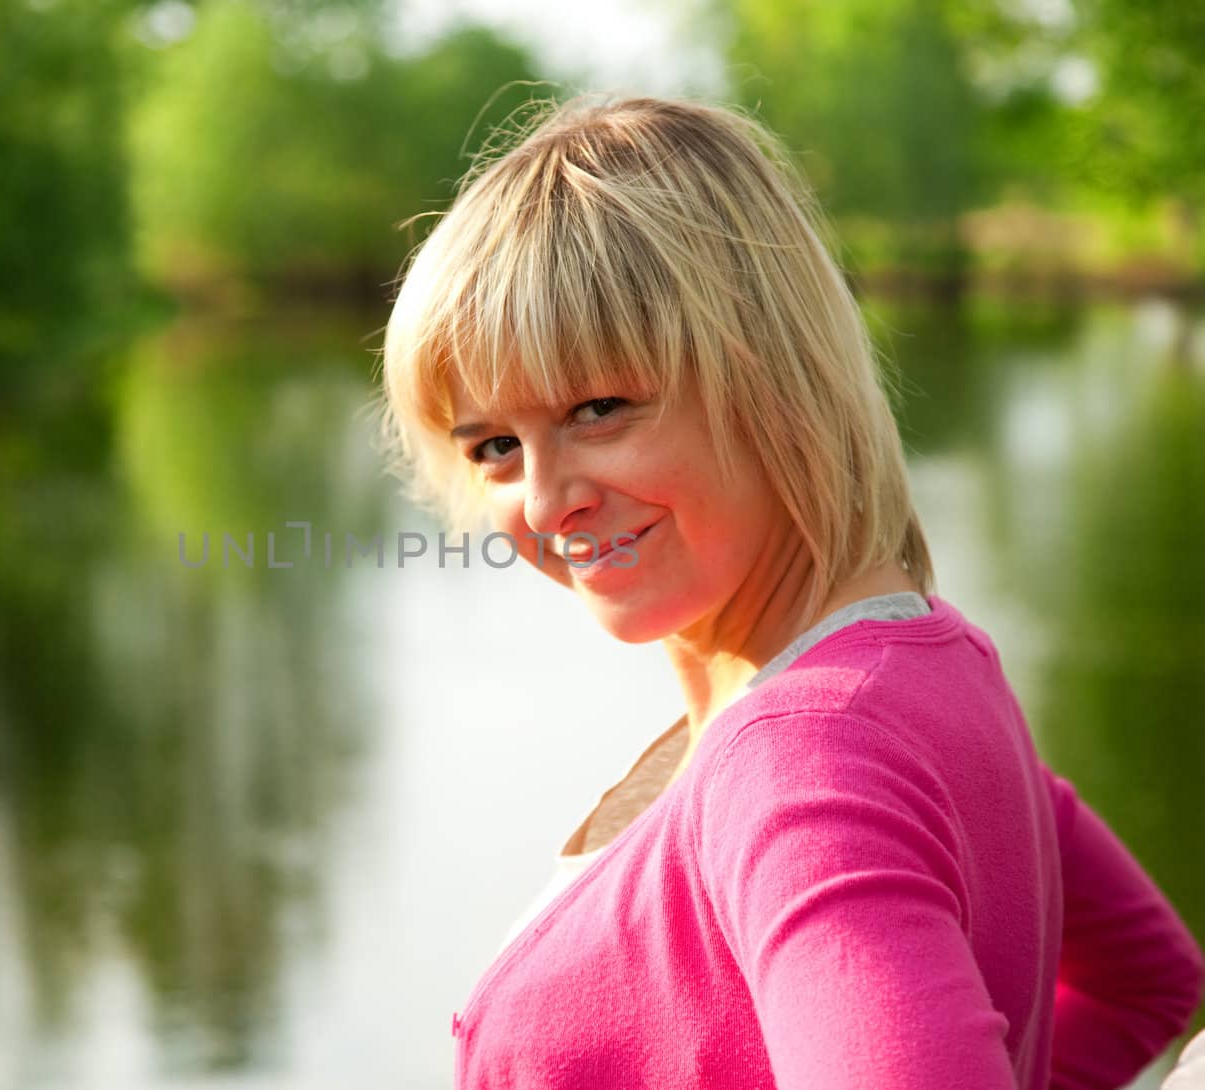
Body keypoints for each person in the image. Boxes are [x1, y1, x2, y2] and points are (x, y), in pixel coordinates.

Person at [377, 95, 1203, 1089]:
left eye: (598, 408)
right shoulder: (927, 662)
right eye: (494, 446)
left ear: (769, 372)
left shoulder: (801, 764)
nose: (545, 499)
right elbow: (1140, 982)